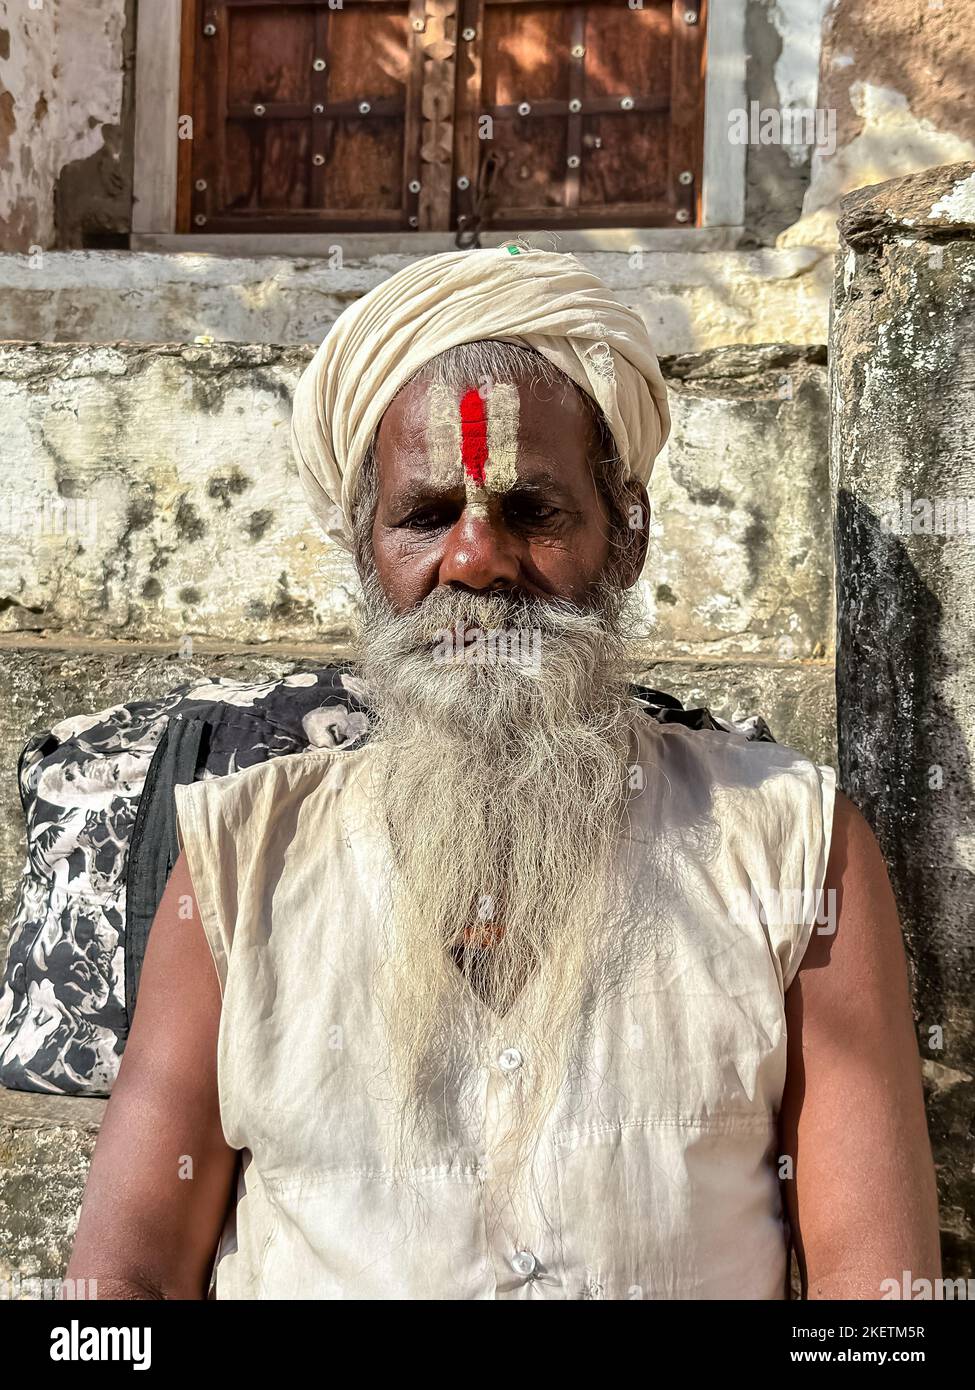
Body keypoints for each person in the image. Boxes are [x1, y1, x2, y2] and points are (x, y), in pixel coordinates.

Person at [66, 246, 941, 1300]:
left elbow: (882, 1309)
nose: (476, 560)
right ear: (366, 552)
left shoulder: (791, 846)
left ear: (625, 540)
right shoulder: (238, 865)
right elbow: (117, 1292)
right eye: (428, 515)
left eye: (530, 511)